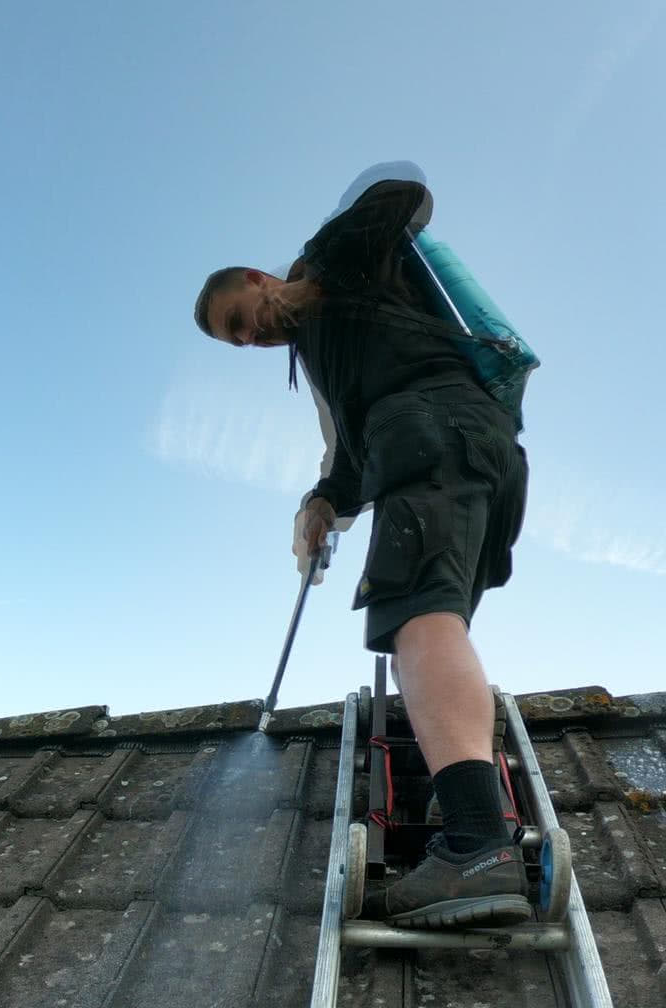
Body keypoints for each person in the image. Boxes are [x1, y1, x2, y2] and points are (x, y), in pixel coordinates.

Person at [193, 162, 532, 928]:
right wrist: (321, 504)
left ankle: (478, 843)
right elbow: (351, 456)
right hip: (456, 448)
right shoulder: (323, 355)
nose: (248, 338)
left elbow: (402, 190)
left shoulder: (335, 264)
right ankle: (477, 829)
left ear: (255, 278)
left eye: (240, 317)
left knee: (419, 621)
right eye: (235, 340)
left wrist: (312, 273)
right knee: (433, 619)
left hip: (437, 435)